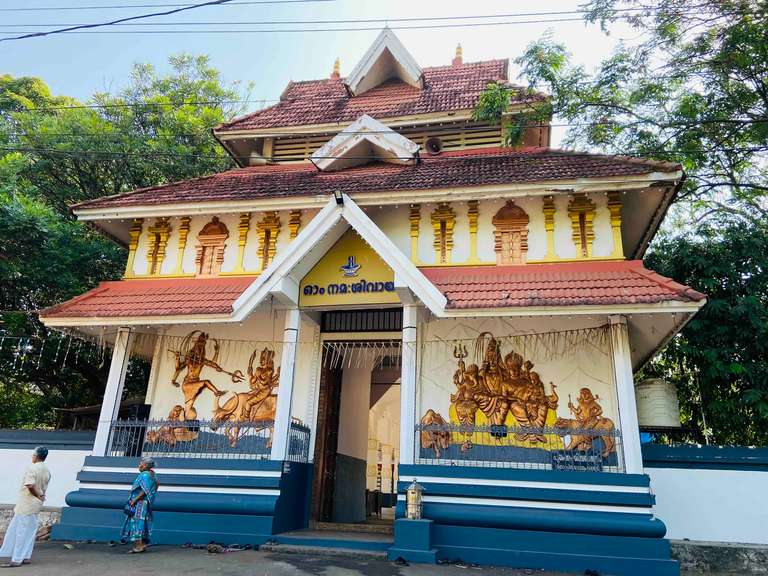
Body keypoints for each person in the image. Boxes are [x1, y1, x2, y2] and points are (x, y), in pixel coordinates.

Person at [0, 446, 51, 568]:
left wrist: (37, 495)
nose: (32, 457)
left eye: (33, 455)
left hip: (26, 503)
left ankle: (16, 558)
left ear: (36, 456)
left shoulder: (32, 468)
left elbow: (29, 484)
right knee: (29, 531)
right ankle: (26, 556)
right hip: (36, 505)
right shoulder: (47, 470)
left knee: (20, 531)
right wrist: (40, 496)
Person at [120, 457, 159, 554]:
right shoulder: (152, 474)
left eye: (140, 463)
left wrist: (135, 500)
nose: (139, 465)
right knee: (141, 522)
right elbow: (157, 485)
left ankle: (139, 546)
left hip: (140, 502)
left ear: (145, 465)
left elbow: (144, 491)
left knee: (137, 523)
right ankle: (141, 544)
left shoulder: (145, 475)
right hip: (145, 502)